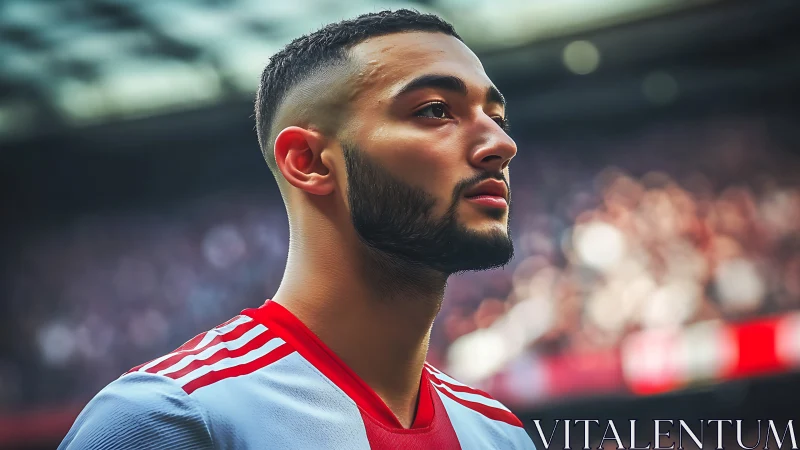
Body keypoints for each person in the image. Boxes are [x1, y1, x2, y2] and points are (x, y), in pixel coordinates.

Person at [60, 9, 534, 449]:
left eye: (497, 118)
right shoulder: (170, 418)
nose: (502, 143)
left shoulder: (499, 433)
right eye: (434, 110)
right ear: (307, 162)